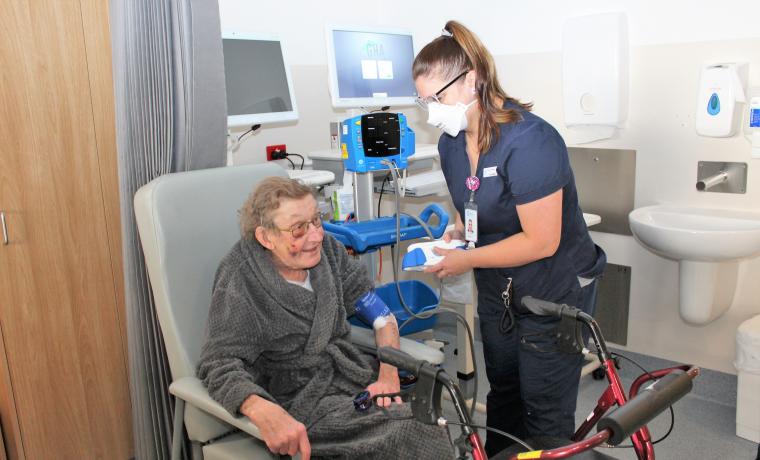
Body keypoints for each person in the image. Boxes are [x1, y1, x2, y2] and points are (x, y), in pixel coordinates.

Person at [413, 21, 607, 456]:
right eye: (423, 101)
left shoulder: (532, 141)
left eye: (438, 97)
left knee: (544, 411)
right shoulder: (451, 143)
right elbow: (476, 204)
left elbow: (542, 241)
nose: (431, 112)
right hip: (499, 287)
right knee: (504, 393)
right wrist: (459, 231)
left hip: (551, 288)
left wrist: (466, 260)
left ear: (473, 78)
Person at [197, 177, 453, 460]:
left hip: (351, 381)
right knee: (409, 434)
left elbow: (382, 316)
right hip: (297, 403)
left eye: (316, 220)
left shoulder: (328, 251)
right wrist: (261, 409)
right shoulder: (241, 278)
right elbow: (218, 364)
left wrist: (389, 373)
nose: (317, 236)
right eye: (298, 229)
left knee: (427, 422)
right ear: (265, 237)